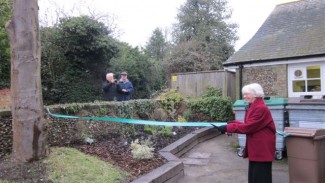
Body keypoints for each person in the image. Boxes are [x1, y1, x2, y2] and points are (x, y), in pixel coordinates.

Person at [215, 83, 276, 183]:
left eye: (246, 94)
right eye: (244, 94)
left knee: (261, 178)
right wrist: (233, 123)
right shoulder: (254, 106)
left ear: (255, 94)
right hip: (257, 148)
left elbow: (248, 127)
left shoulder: (260, 108)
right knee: (254, 178)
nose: (244, 97)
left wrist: (228, 127)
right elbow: (251, 124)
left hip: (262, 149)